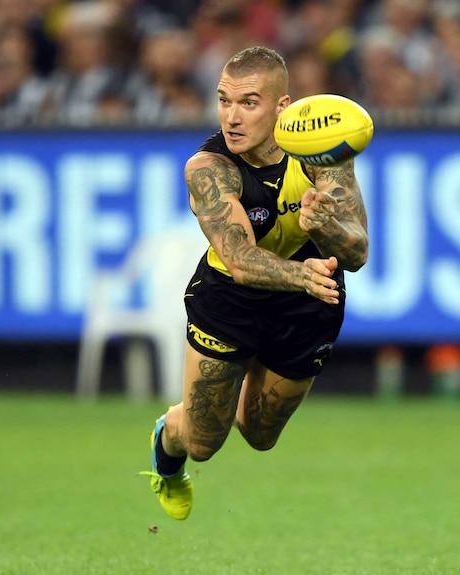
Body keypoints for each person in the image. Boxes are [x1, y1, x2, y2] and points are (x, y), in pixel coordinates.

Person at [139, 45, 369, 520]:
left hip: (308, 304)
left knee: (260, 435)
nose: (232, 117)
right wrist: (301, 273)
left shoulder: (321, 152)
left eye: (248, 103)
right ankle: (167, 442)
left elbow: (357, 252)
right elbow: (241, 259)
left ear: (282, 107)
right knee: (203, 443)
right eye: (224, 100)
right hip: (231, 302)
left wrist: (324, 226)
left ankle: (226, 404)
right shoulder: (208, 169)